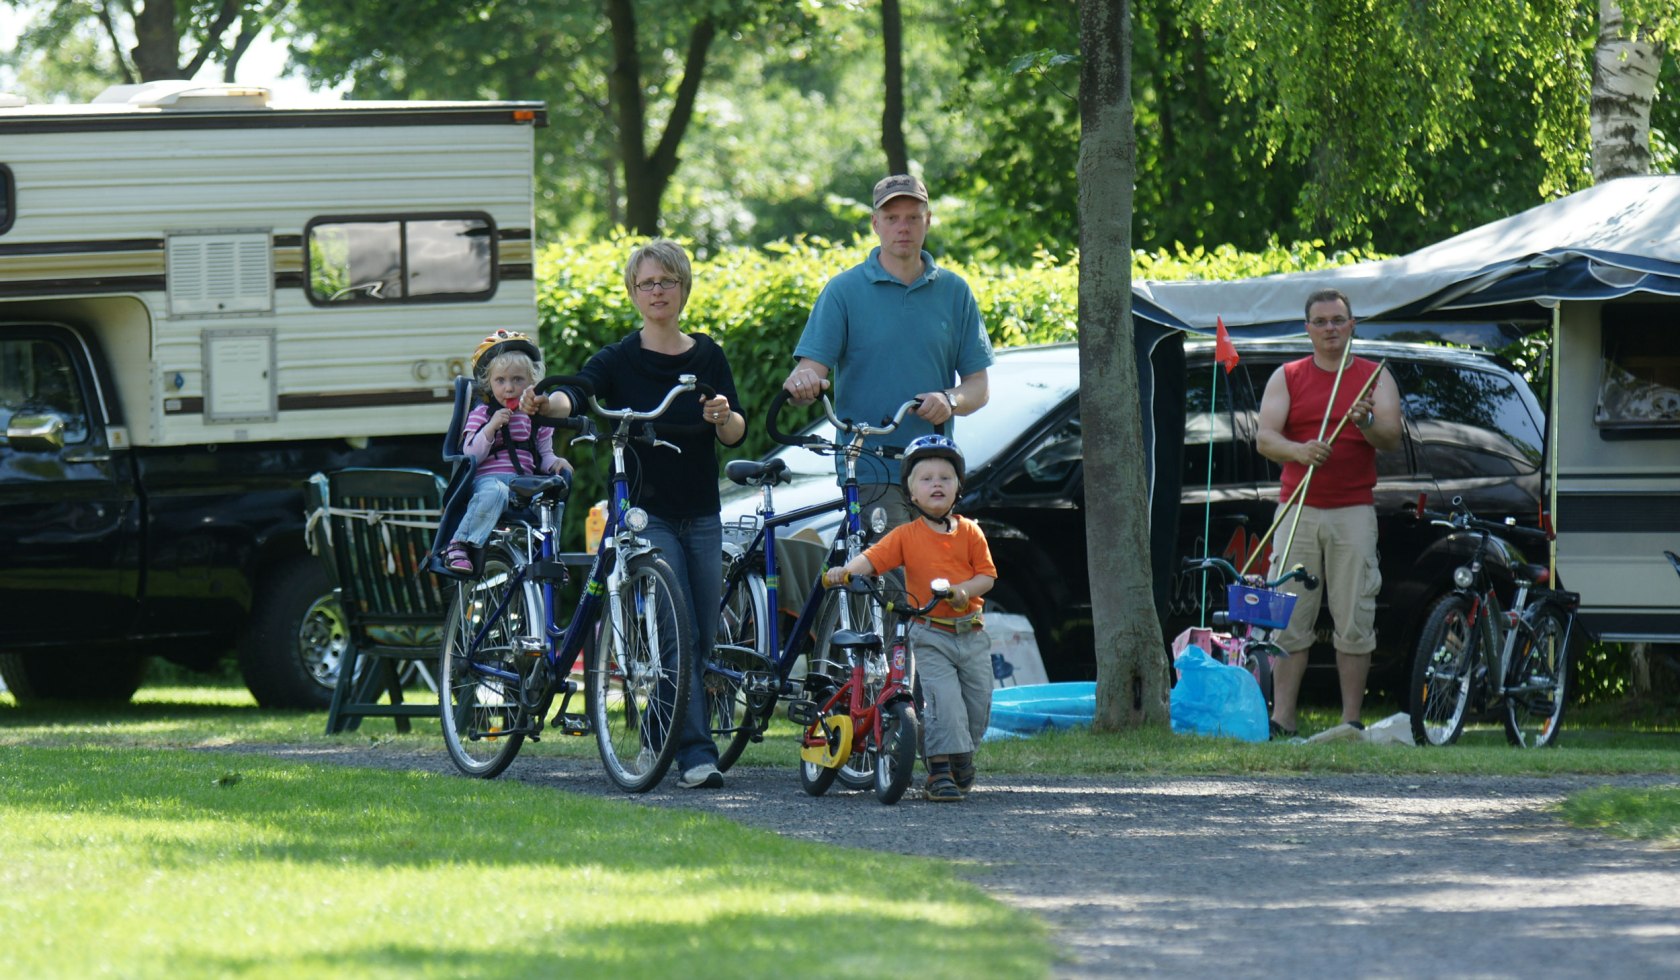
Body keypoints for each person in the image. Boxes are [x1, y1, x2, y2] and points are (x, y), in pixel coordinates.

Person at [523, 239, 745, 790]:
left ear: (684, 287)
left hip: (701, 510)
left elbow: (735, 429)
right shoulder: (619, 358)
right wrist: (545, 403)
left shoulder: (707, 355)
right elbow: (578, 393)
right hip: (647, 515)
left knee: (704, 638)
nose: (658, 292)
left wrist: (722, 415)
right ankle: (694, 752)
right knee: (677, 628)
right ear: (633, 292)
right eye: (647, 283)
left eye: (667, 281)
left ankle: (657, 727)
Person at [784, 173, 994, 534]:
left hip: (933, 468)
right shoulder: (843, 291)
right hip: (869, 467)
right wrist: (802, 385)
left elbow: (978, 386)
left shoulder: (954, 291)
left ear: (927, 221)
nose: (903, 227)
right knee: (894, 583)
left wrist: (950, 399)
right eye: (892, 218)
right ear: (875, 223)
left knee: (934, 581)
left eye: (913, 217)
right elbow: (808, 375)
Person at [1256, 288, 1402, 740]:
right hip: (1297, 508)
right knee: (1289, 617)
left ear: (1352, 324)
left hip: (1352, 510)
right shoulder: (1288, 375)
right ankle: (1283, 719)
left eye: (1338, 320)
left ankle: (1350, 721)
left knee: (1354, 615)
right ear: (1308, 329)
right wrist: (1300, 450)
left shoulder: (1375, 376)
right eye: (1320, 322)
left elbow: (1391, 437)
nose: (1330, 329)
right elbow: (1265, 438)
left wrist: (1363, 422)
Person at [823, 435, 997, 802]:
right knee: (943, 701)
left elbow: (987, 576)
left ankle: (962, 757)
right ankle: (939, 771)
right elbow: (872, 558)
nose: (937, 484)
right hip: (930, 632)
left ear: (958, 487)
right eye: (926, 478)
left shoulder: (971, 532)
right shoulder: (905, 535)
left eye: (945, 478)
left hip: (972, 631)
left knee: (978, 705)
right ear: (912, 494)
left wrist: (964, 590)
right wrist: (847, 571)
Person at [442, 330, 571, 573]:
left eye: (517, 380)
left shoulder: (535, 419)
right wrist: (491, 428)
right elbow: (470, 455)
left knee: (552, 497)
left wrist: (555, 463)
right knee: (496, 491)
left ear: (531, 382)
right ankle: (459, 544)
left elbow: (544, 455)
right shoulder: (482, 414)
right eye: (500, 381)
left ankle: (546, 553)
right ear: (489, 384)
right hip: (487, 481)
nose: (509, 388)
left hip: (525, 483)